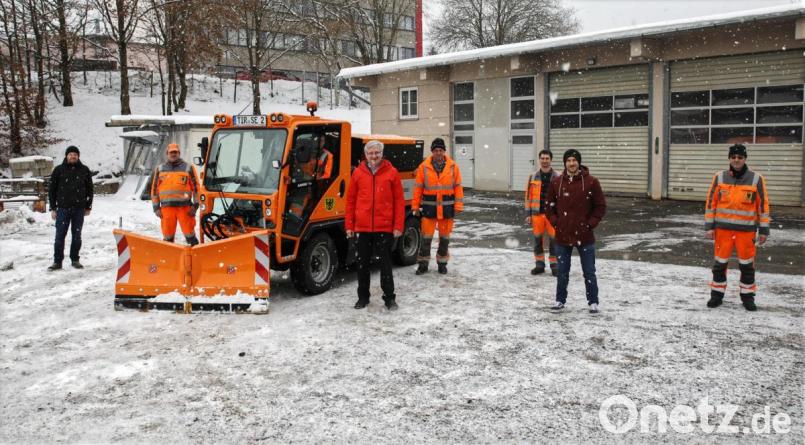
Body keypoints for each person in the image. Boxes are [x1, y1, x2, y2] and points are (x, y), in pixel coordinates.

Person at [704, 144, 770, 311]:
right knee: (719, 265)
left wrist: (763, 230)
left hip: (746, 233)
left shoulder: (756, 179)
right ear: (729, 159)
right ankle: (716, 296)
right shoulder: (719, 177)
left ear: (745, 159)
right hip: (722, 231)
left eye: (740, 157)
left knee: (747, 266)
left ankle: (748, 298)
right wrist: (709, 226)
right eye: (733, 157)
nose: (736, 160)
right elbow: (711, 204)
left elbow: (763, 207)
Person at [345, 140, 405, 310]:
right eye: (370, 153)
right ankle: (363, 297)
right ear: (365, 155)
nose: (374, 156)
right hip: (362, 228)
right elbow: (350, 201)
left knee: (385, 265)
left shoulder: (392, 173)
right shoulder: (358, 173)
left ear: (381, 153)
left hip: (384, 227)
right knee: (362, 265)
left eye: (377, 152)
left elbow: (399, 202)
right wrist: (349, 225)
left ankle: (389, 298)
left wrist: (398, 226)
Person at [546, 149, 606, 313]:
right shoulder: (557, 182)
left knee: (589, 272)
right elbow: (549, 207)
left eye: (574, 160)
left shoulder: (592, 182)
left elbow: (600, 206)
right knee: (562, 272)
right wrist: (556, 222)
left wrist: (590, 224)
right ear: (565, 163)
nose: (571, 163)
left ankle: (593, 302)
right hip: (563, 235)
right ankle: (560, 300)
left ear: (579, 162)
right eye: (569, 160)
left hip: (585, 235)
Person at [412, 137, 464, 275]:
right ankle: (423, 264)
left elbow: (458, 187)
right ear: (432, 152)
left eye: (441, 150)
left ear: (444, 151)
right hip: (429, 209)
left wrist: (458, 205)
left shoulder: (453, 167)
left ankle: (442, 264)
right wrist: (415, 206)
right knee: (426, 238)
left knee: (444, 239)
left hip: (447, 209)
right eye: (436, 150)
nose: (438, 153)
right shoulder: (423, 167)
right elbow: (418, 188)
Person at [47, 145, 93, 270]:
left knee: (77, 236)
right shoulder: (58, 170)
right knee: (60, 236)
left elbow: (90, 189)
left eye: (75, 154)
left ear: (78, 156)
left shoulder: (84, 170)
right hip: (62, 209)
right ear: (66, 156)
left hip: (79, 209)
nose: (73, 156)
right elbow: (52, 190)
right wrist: (53, 208)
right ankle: (57, 262)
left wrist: (88, 206)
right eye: (71, 154)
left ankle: (75, 259)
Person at [150, 143, 200, 245]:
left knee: (190, 237)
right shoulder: (160, 169)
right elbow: (154, 190)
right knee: (168, 238)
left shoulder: (188, 168)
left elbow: (196, 188)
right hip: (166, 209)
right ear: (167, 154)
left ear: (179, 153)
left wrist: (195, 205)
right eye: (171, 152)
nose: (173, 154)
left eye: (175, 152)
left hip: (185, 209)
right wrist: (156, 208)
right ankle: (169, 259)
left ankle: (196, 256)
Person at [525, 149, 560, 276]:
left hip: (552, 215)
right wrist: (528, 214)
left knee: (554, 240)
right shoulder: (533, 177)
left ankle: (554, 265)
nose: (545, 161)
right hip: (537, 215)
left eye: (547, 159)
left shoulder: (558, 177)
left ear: (551, 160)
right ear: (539, 160)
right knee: (537, 240)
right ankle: (539, 264)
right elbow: (528, 197)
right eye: (542, 158)